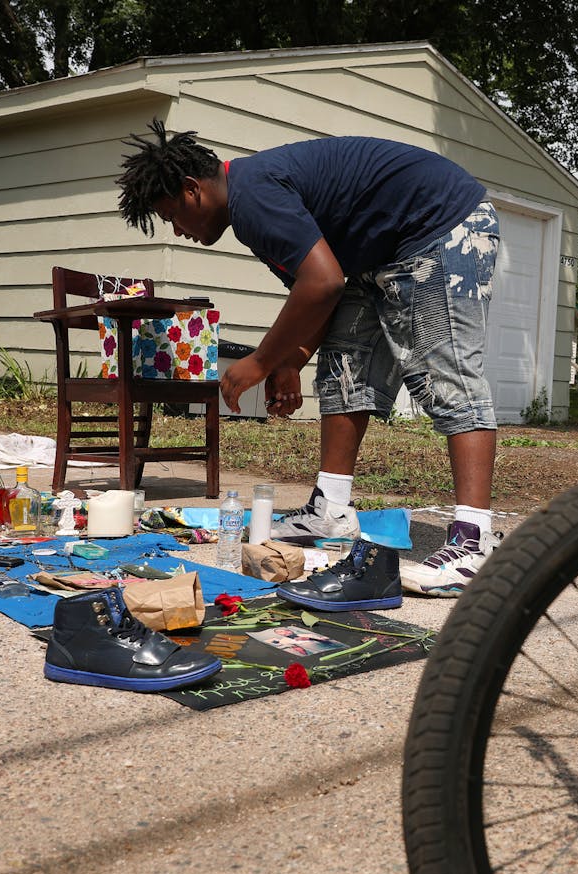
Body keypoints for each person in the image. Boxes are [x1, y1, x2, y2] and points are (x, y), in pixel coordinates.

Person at [115, 122, 503, 597]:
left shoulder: (252, 197)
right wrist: (291, 362)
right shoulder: (251, 204)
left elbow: (322, 283)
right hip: (373, 253)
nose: (177, 230)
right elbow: (319, 293)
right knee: (343, 371)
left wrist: (260, 361)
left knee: (448, 373)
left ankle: (473, 540)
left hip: (440, 224)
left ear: (193, 190)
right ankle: (333, 510)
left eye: (171, 214)